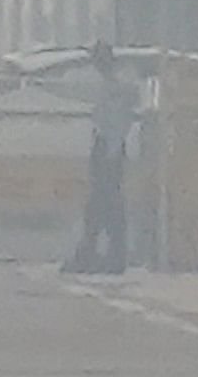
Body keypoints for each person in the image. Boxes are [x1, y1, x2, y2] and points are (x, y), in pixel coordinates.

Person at [71, 43, 139, 274]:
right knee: (101, 204)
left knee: (106, 203)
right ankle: (99, 252)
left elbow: (118, 122)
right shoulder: (112, 84)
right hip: (106, 146)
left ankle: (105, 254)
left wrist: (111, 150)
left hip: (109, 148)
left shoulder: (117, 86)